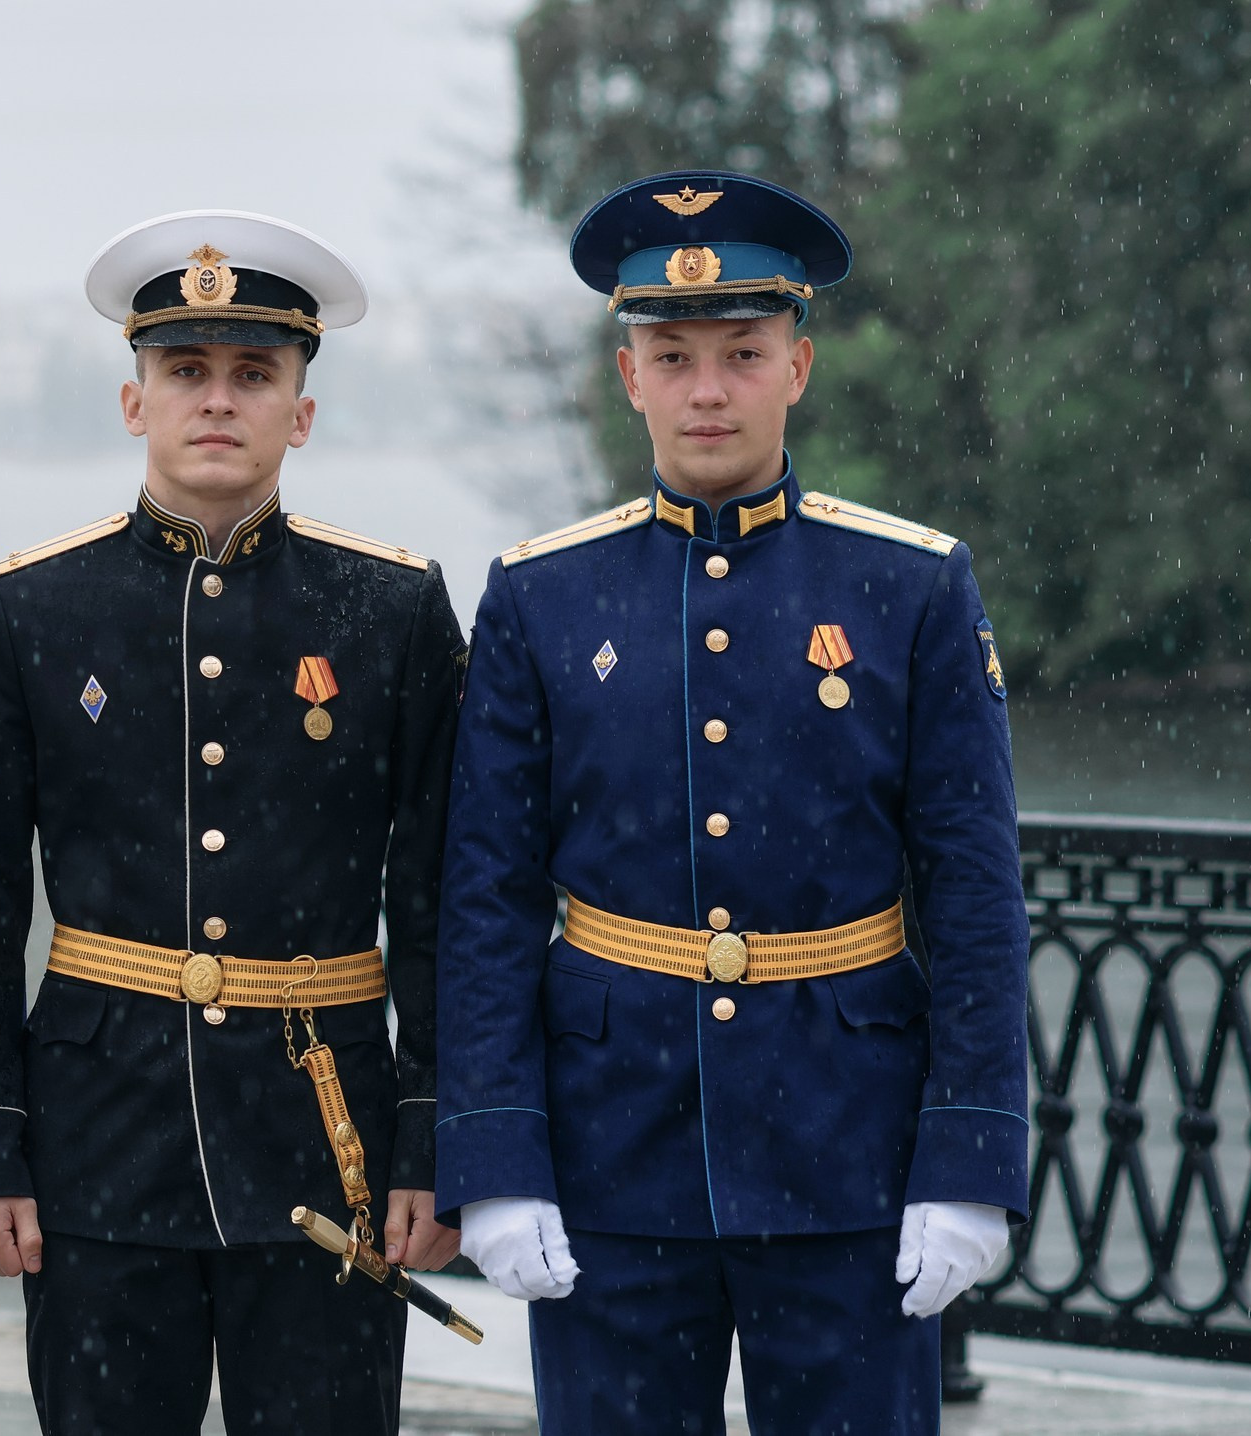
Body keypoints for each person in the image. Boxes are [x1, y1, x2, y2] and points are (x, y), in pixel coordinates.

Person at [435, 170, 1030, 1433]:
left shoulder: (908, 586)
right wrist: (493, 1155)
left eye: (743, 353)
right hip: (608, 1152)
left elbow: (974, 891)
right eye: (674, 353)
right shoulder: (541, 595)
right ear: (628, 374)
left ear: (797, 367)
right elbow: (484, 894)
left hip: (849, 1148)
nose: (709, 387)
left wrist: (970, 1157)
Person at [0, 210, 465, 1435]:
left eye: (253, 375)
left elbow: (439, 898)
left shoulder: (391, 610)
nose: (218, 400)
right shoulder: (33, 609)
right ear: (133, 401)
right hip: (99, 1139)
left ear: (301, 414)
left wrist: (437, 1136)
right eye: (186, 372)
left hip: (328, 1145)